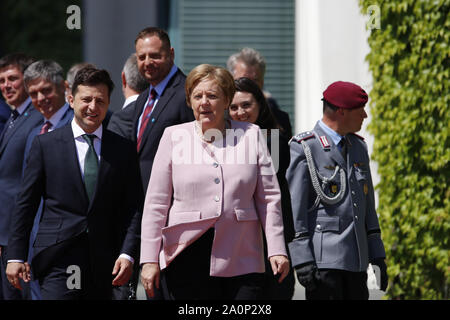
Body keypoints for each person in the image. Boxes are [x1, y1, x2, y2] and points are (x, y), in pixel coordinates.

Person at [140, 64, 290, 300]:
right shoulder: (174, 136)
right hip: (186, 253)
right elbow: (156, 203)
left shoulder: (251, 134)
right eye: (197, 96)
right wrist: (149, 259)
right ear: (189, 101)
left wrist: (277, 249)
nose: (204, 103)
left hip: (242, 253)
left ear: (227, 100)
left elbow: (269, 199)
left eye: (212, 96)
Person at [5, 67, 143, 300]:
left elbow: (135, 207)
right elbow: (25, 204)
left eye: (100, 101)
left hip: (107, 261)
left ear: (109, 102)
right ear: (71, 100)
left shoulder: (123, 149)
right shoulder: (45, 145)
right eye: (86, 99)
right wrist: (16, 256)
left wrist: (128, 254)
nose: (93, 107)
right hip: (59, 256)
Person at [108, 27, 195, 300]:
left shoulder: (185, 94)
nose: (147, 62)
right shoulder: (145, 98)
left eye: (155, 56)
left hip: (175, 215)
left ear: (170, 54)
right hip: (143, 213)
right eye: (142, 57)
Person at [286, 81, 388, 300]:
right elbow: (296, 208)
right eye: (360, 109)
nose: (365, 116)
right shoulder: (304, 146)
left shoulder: (358, 146)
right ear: (342, 111)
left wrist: (377, 253)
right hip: (324, 262)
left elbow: (368, 207)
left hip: (357, 260)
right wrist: (301, 258)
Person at [229, 77, 295, 299]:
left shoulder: (274, 140)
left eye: (247, 105)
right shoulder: (219, 141)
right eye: (233, 107)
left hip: (270, 241)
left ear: (260, 104)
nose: (241, 112)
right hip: (235, 244)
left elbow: (266, 193)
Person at [21, 59, 75, 300]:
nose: (40, 98)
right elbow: (27, 195)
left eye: (46, 90)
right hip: (35, 244)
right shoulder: (35, 133)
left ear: (63, 87)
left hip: (68, 245)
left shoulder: (78, 125)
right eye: (33, 93)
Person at [0, 53, 42, 300]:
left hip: (21, 239)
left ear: (28, 80)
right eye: (2, 80)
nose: (6, 85)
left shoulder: (37, 119)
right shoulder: (13, 118)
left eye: (13, 78)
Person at [227, 47, 293, 138]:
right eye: (243, 80)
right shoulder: (220, 121)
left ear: (262, 81)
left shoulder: (279, 119)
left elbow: (282, 152)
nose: (250, 86)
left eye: (255, 80)